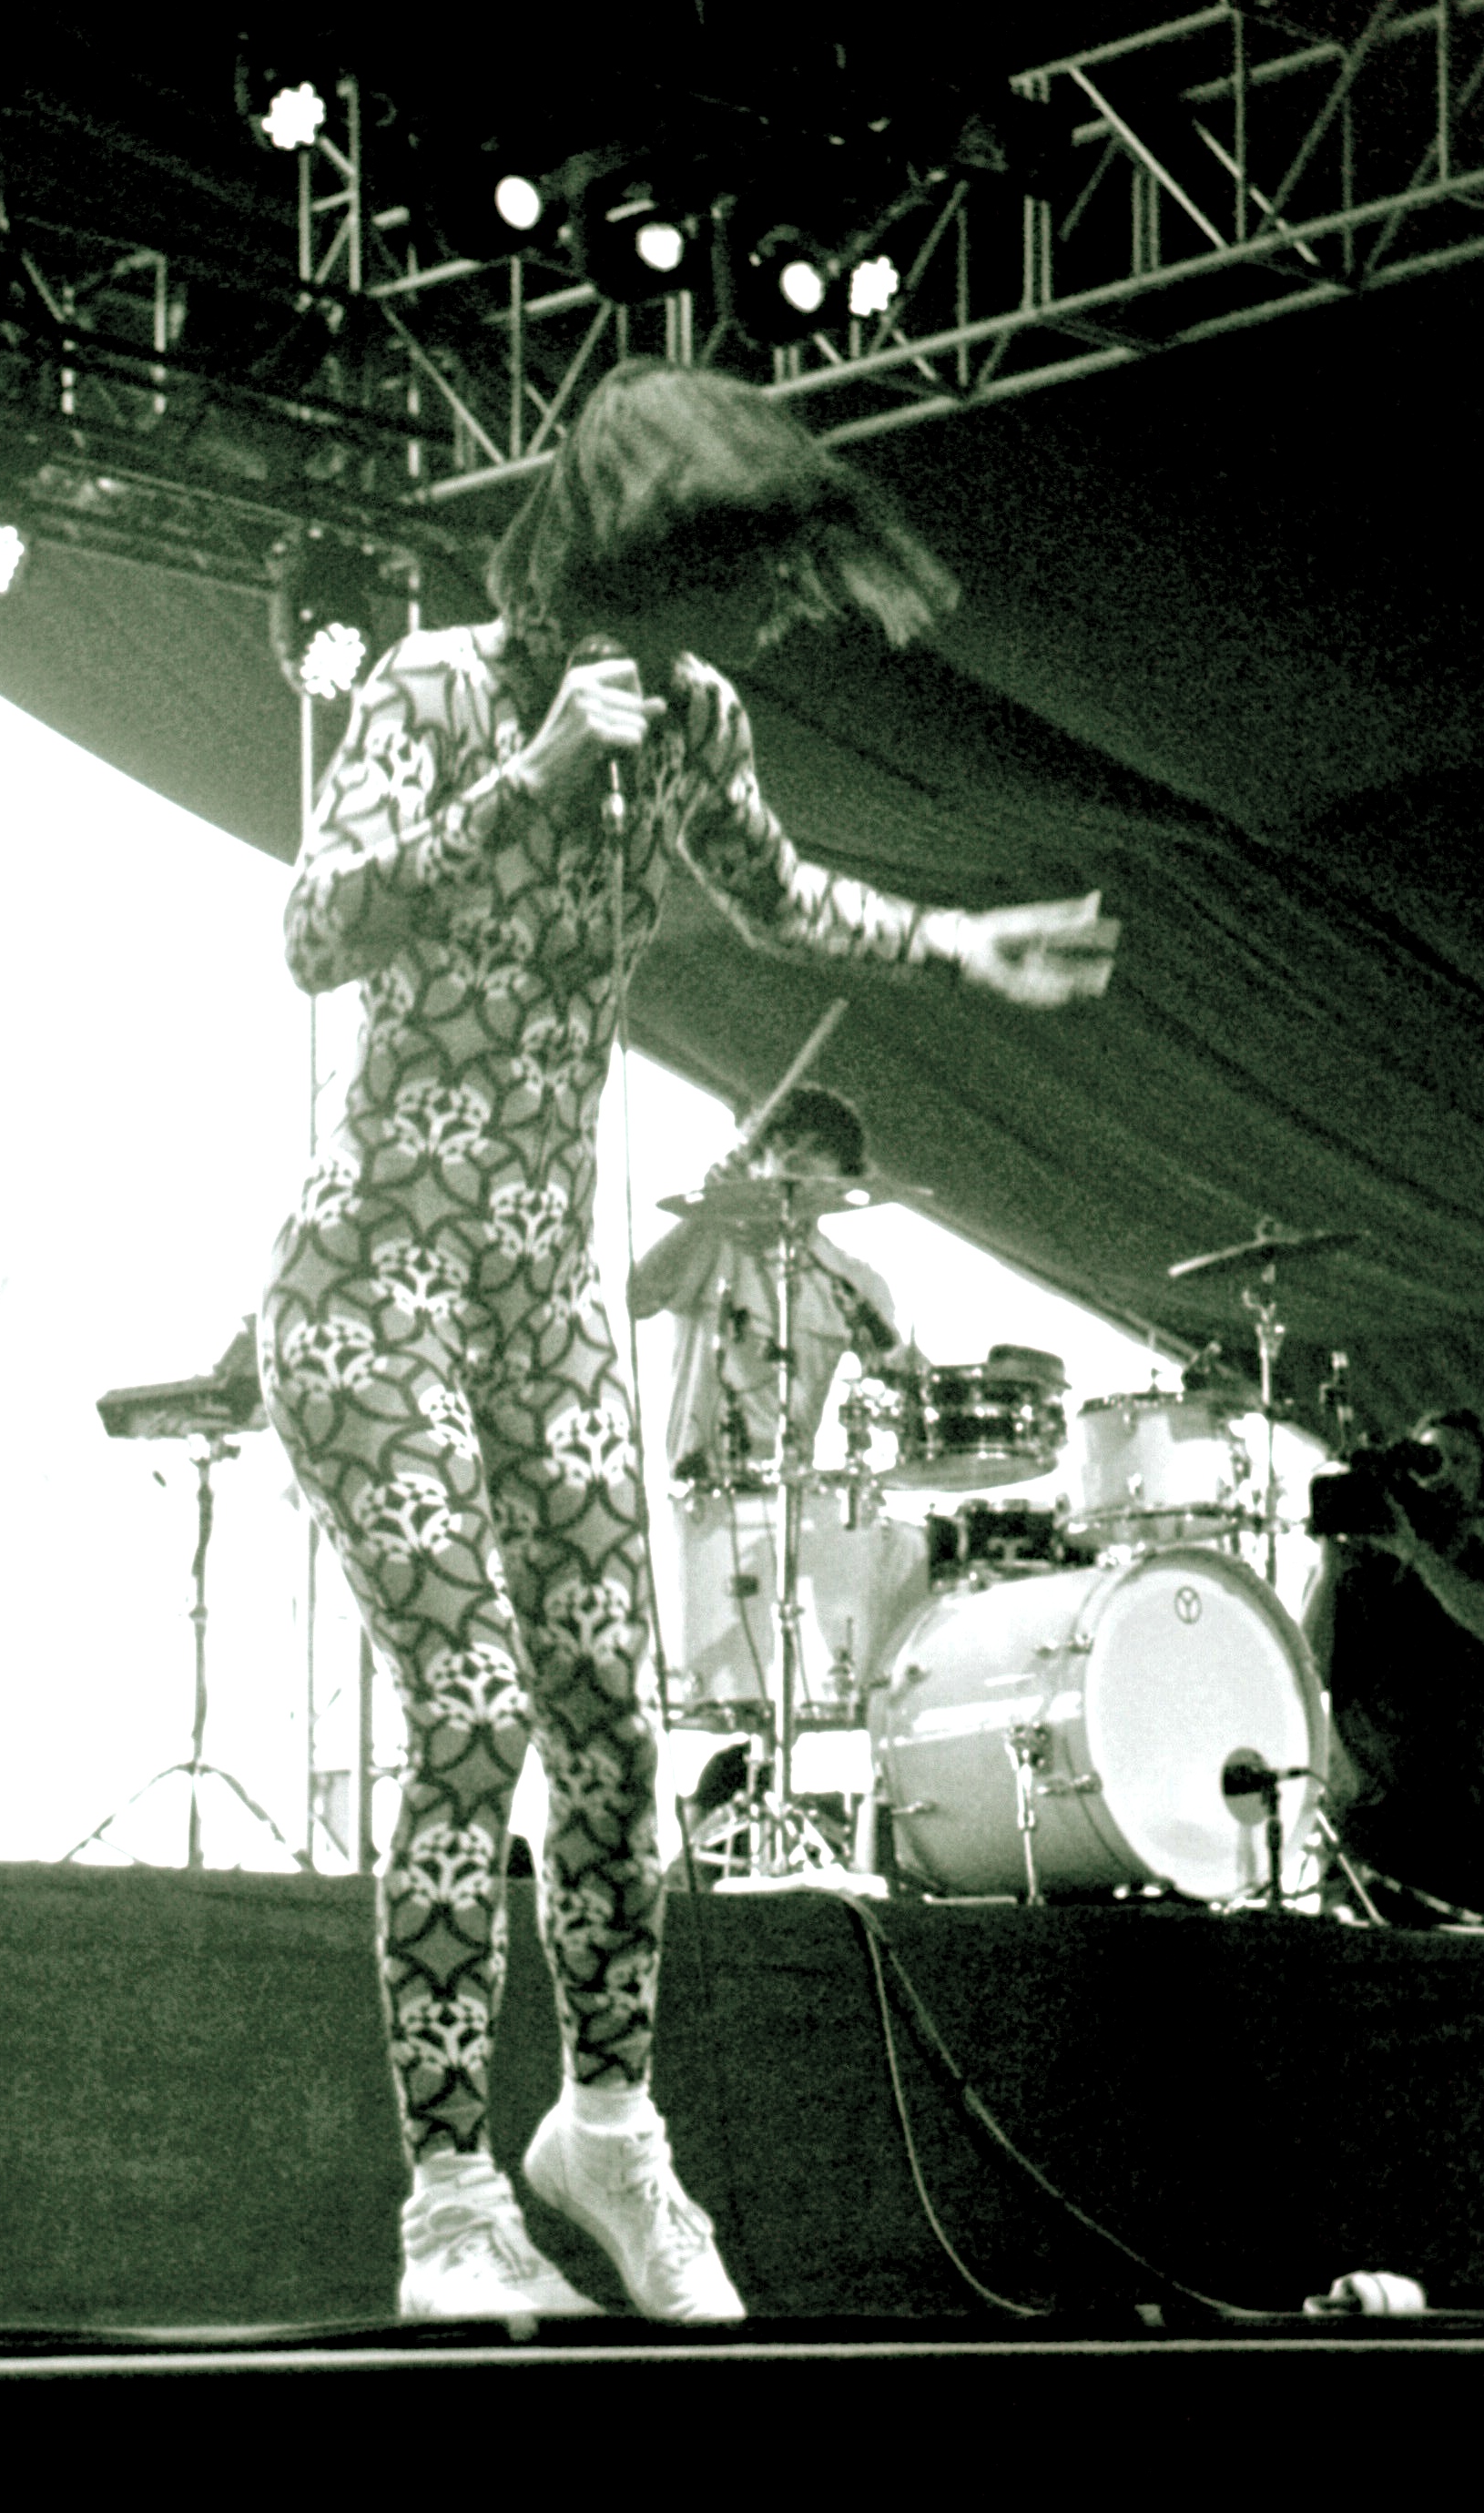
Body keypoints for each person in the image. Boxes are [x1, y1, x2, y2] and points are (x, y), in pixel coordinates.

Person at [258, 356, 1118, 2328]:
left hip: (537, 1296)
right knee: (471, 1708)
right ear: (634, 559)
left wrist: (953, 940)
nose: (767, 618)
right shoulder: (439, 691)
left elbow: (776, 891)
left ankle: (609, 2135)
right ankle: (449, 2200)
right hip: (373, 1277)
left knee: (612, 1728)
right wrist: (529, 780)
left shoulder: (699, 721)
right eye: (739, 578)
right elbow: (314, 929)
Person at [1302, 1409, 1484, 1932]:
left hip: (1477, 1848)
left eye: (1461, 1462)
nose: (1444, 1474)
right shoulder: (1358, 1575)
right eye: (1430, 1460)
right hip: (1371, 1852)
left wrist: (1416, 1554)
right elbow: (1307, 1675)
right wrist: (1329, 1568)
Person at [627, 1083, 915, 1487]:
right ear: (756, 1159)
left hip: (794, 1495)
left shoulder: (856, 1282)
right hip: (703, 1495)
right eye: (783, 1142)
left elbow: (901, 1383)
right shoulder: (712, 1241)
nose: (796, 1157)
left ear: (845, 1175)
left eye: (819, 1149)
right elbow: (639, 1298)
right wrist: (709, 1208)